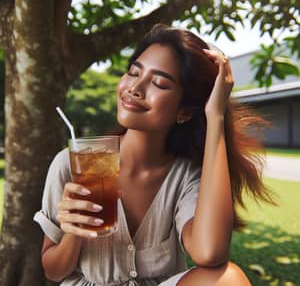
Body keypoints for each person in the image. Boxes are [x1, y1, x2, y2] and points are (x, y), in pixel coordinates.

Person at [34, 24, 275, 285]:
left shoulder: (185, 176)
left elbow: (210, 252)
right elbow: (53, 271)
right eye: (133, 72)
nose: (135, 87)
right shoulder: (72, 164)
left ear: (184, 112)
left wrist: (215, 116)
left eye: (159, 83)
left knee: (228, 279)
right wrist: (73, 233)